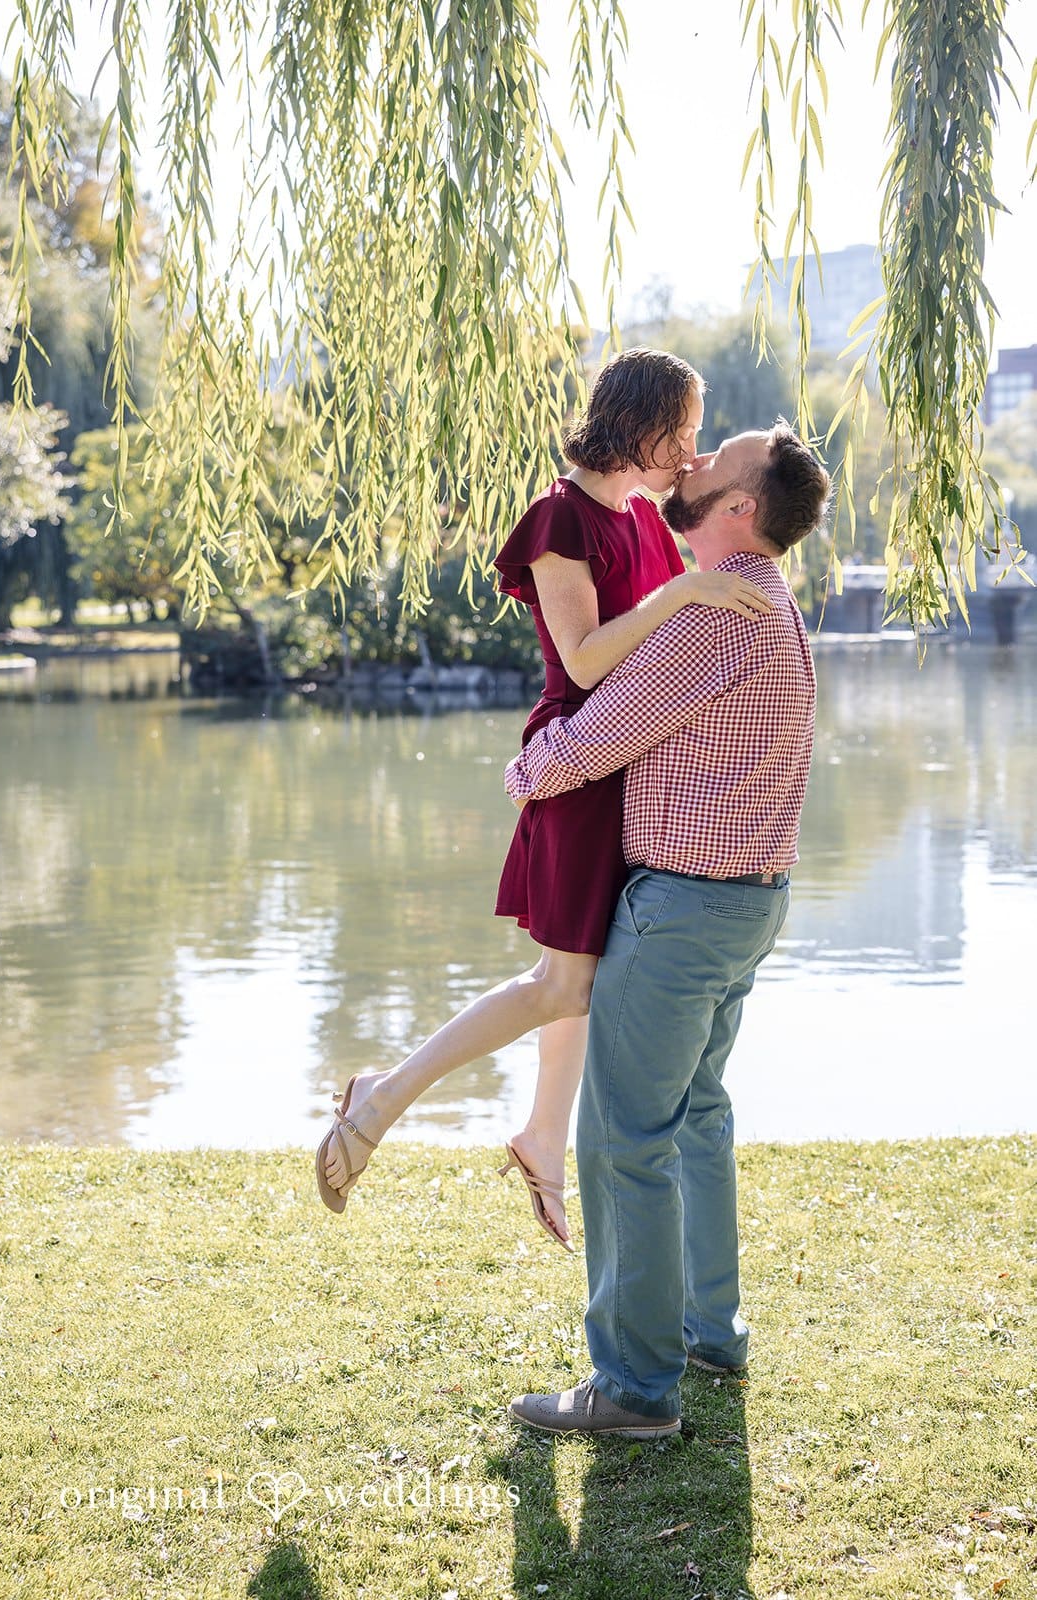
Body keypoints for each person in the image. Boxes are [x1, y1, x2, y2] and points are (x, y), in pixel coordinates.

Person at [315, 349, 776, 1244]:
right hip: (578, 764)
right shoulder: (560, 518)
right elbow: (586, 659)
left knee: (590, 976)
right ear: (638, 426)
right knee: (562, 982)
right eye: (680, 432)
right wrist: (685, 589)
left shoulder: (641, 517)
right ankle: (381, 1099)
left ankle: (539, 1135)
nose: (690, 452)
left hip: (627, 763)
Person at [504, 422, 831, 1436]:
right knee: (692, 1114)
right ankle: (706, 1329)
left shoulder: (714, 618)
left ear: (738, 511)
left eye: (708, 466)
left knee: (622, 1136)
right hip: (744, 901)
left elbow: (593, 744)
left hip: (684, 908)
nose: (686, 469)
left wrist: (522, 772)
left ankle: (636, 1387)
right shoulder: (765, 605)